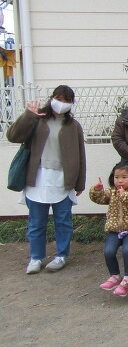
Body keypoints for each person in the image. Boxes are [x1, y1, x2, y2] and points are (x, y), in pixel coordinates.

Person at [7, 85, 86, 274]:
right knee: (36, 221)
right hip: (38, 177)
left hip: (63, 178)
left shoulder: (74, 126)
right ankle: (36, 257)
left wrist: (80, 182)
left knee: (63, 221)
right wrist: (29, 115)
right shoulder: (38, 119)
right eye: (59, 98)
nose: (62, 103)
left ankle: (61, 255)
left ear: (71, 104)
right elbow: (13, 136)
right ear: (51, 98)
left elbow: (80, 155)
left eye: (67, 101)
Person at [89, 161, 128, 297]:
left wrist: (124, 196)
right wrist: (97, 190)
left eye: (124, 177)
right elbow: (100, 198)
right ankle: (115, 276)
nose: (120, 180)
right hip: (114, 229)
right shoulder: (112, 192)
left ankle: (127, 277)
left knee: (127, 250)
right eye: (116, 177)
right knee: (108, 251)